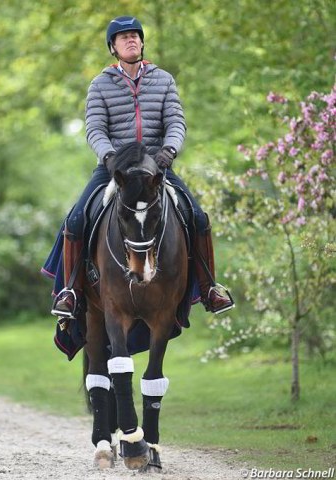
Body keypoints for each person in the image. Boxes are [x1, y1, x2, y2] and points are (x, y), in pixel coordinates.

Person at [50, 15, 233, 318]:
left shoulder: (163, 79)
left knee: (198, 217)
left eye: (135, 35)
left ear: (143, 42)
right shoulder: (99, 84)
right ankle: (72, 290)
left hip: (155, 168)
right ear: (113, 47)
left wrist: (169, 151)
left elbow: (175, 121)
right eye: (123, 37)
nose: (131, 39)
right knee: (77, 218)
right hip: (116, 169)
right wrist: (109, 157)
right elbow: (95, 128)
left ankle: (210, 287)